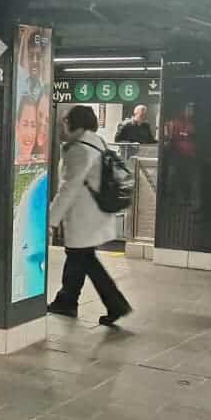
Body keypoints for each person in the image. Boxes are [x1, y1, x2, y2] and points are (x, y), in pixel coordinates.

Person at [47, 106, 133, 326]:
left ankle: (115, 304)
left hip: (84, 215)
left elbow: (69, 188)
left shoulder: (80, 150)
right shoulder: (97, 142)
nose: (62, 126)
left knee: (84, 259)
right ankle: (67, 300)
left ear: (76, 123)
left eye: (66, 121)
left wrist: (50, 220)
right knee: (79, 258)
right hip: (95, 213)